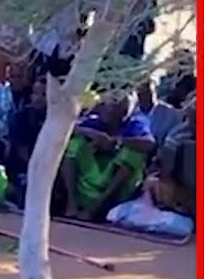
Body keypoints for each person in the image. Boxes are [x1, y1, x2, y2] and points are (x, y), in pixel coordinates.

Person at [56, 90, 155, 221]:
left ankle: (95, 208)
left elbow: (150, 144)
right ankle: (71, 203)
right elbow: (68, 127)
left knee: (133, 154)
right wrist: (94, 135)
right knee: (75, 143)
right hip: (90, 180)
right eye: (106, 104)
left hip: (116, 189)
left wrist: (116, 142)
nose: (107, 108)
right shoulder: (94, 122)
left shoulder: (136, 124)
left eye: (114, 105)